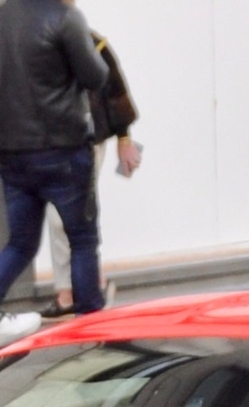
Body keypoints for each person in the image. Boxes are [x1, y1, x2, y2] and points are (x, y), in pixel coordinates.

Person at [0, 0, 110, 363]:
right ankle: (92, 329)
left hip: (13, 152)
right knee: (82, 239)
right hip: (64, 148)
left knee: (21, 243)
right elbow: (96, 76)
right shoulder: (65, 17)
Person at [49, 29, 141, 318]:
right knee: (62, 216)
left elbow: (114, 89)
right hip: (53, 140)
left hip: (87, 139)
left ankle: (79, 289)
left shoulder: (91, 41)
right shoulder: (40, 40)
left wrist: (124, 140)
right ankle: (71, 291)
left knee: (71, 213)